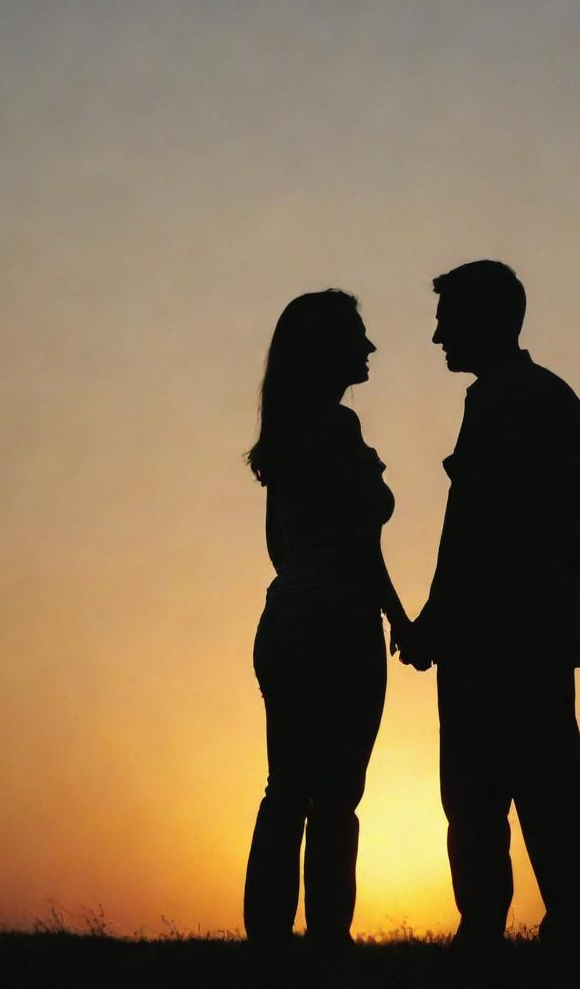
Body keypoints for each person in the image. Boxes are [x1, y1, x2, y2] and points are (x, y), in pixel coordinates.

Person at [398, 260, 580, 966]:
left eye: (447, 320)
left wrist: (433, 619)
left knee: (480, 793)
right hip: (541, 632)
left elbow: (475, 528)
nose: (436, 337)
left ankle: (485, 931)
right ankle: (571, 926)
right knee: (549, 786)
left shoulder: (499, 403)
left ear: (487, 318)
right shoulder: (555, 399)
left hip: (492, 637)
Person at [243, 289, 409, 951]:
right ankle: (327, 946)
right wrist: (400, 617)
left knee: (285, 787)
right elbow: (360, 546)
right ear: (325, 350)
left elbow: (280, 546)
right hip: (338, 623)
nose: (370, 349)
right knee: (336, 798)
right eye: (357, 337)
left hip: (286, 615)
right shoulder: (338, 431)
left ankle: (268, 945)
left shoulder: (284, 435)